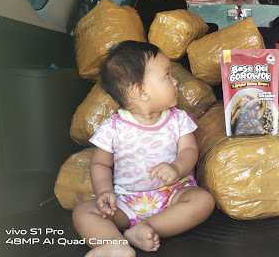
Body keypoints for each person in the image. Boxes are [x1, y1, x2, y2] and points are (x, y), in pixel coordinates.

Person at [72, 41, 215, 257]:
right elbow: (100, 163)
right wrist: (104, 192)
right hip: (126, 201)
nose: (175, 81)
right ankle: (115, 245)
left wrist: (176, 169)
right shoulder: (113, 127)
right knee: (83, 212)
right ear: (140, 91)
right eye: (167, 75)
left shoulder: (178, 119)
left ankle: (147, 229)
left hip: (174, 195)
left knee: (203, 201)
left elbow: (189, 151)